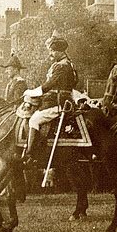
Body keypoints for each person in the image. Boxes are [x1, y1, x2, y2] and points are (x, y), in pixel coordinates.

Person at [22, 31, 78, 164]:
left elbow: (47, 86)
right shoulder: (67, 64)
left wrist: (30, 92)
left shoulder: (62, 66)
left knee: (34, 120)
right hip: (58, 100)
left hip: (58, 103)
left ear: (59, 51)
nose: (50, 54)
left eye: (52, 51)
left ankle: (30, 154)